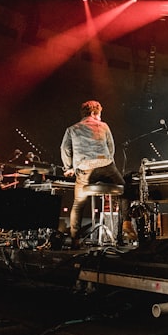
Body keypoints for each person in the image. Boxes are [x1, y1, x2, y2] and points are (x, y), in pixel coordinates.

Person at [60, 100, 125, 248]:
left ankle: (75, 241)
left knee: (78, 204)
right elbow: (111, 147)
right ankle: (124, 228)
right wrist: (108, 162)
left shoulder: (72, 129)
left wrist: (68, 167)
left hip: (85, 170)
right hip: (106, 166)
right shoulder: (103, 126)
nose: (100, 117)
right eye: (100, 114)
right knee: (124, 191)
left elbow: (64, 149)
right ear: (94, 113)